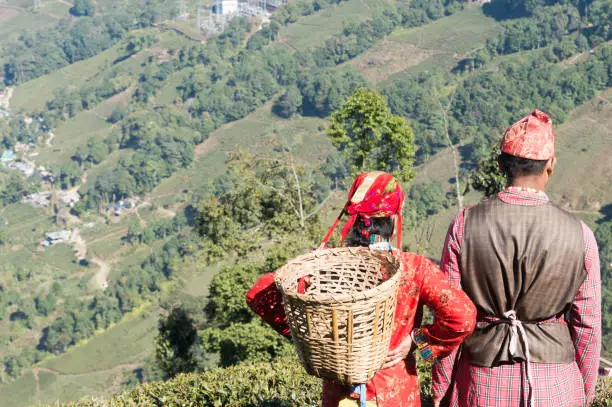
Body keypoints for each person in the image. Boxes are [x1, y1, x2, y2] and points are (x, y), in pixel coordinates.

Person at [247, 171, 476, 407]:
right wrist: (419, 343)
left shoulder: (326, 266)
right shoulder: (413, 268)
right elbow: (464, 317)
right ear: (394, 220)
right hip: (394, 393)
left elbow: (259, 293)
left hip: (338, 394)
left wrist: (307, 336)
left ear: (354, 218)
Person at [432, 109, 602, 407]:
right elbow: (587, 327)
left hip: (481, 384)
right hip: (557, 387)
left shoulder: (465, 224)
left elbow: (451, 315)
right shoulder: (580, 234)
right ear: (551, 165)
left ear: (501, 165)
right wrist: (583, 391)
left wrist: (441, 388)